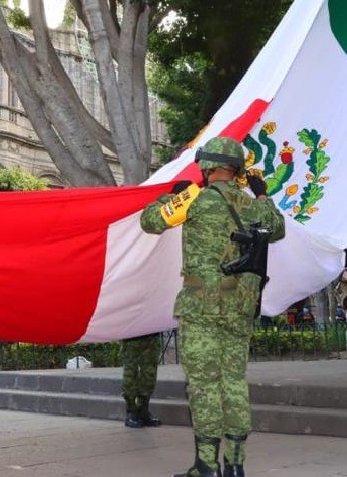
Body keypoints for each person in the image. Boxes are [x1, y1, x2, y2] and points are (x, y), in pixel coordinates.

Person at [141, 137, 285, 477]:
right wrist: (262, 194)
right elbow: (276, 229)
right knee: (234, 380)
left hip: (202, 308)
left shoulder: (195, 199)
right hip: (239, 307)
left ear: (207, 166)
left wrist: (174, 196)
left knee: (204, 385)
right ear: (235, 170)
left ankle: (206, 465)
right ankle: (235, 465)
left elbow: (150, 221)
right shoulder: (253, 206)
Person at [121, 332, 163, 428]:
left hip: (152, 332)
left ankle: (143, 410)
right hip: (131, 333)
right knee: (130, 373)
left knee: (149, 373)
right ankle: (131, 411)